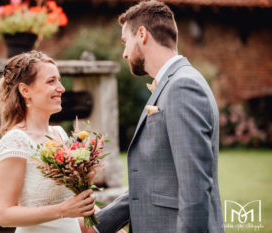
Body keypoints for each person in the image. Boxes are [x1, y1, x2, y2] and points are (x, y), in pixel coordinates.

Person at [79, 1, 224, 232]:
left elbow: (194, 187)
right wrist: (99, 225)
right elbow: (153, 180)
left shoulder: (182, 86)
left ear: (143, 34)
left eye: (125, 42)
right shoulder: (173, 83)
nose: (125, 54)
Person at [0, 51, 96, 233]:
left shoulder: (59, 134)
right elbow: (4, 215)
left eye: (59, 80)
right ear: (25, 91)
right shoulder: (15, 142)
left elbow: (75, 206)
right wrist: (62, 211)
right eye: (51, 81)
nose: (61, 88)